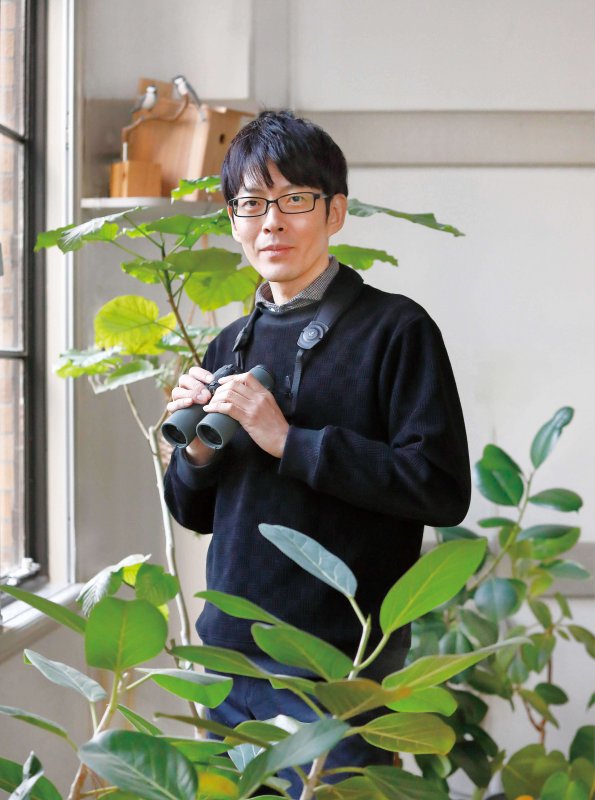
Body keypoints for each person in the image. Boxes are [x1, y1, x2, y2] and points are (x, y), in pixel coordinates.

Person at [164, 110, 471, 792]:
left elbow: (440, 487)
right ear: (233, 220)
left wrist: (287, 441)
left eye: (293, 200)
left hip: (335, 669)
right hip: (230, 660)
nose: (270, 222)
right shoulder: (228, 344)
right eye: (251, 203)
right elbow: (196, 513)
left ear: (335, 211)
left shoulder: (396, 329)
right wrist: (195, 455)